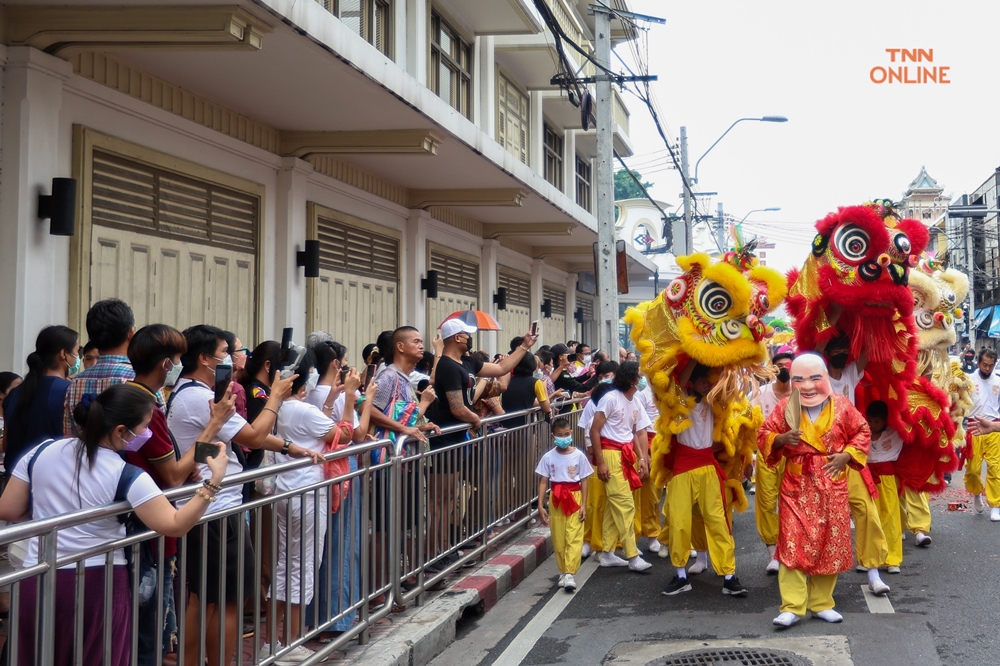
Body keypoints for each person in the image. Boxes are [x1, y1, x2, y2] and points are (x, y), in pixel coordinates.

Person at [0, 383, 231, 666]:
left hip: (35, 575)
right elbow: (175, 524)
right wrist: (213, 481)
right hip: (98, 583)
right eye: (144, 427)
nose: (146, 434)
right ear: (121, 430)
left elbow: (9, 508)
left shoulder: (42, 451)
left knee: (36, 655)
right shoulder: (125, 473)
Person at [166, 325, 323, 666]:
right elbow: (251, 435)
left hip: (207, 505)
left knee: (203, 599)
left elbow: (232, 436)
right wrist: (277, 396)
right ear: (205, 358)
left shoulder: (190, 392)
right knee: (226, 601)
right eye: (226, 352)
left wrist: (287, 446)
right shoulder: (200, 397)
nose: (235, 359)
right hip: (216, 508)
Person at [758, 354, 871, 628]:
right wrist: (780, 439)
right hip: (796, 486)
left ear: (825, 378)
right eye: (799, 379)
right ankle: (792, 606)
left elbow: (863, 431)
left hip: (832, 483)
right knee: (791, 544)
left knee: (828, 543)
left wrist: (847, 454)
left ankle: (821, 603)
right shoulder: (786, 407)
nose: (807, 385)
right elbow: (763, 433)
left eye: (814, 378)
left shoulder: (842, 406)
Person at [261, 349, 355, 663]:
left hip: (288, 492)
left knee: (285, 564)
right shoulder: (302, 411)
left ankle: (272, 642)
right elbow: (344, 434)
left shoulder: (279, 409)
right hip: (308, 492)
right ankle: (290, 642)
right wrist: (352, 397)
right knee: (304, 567)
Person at [430, 320, 538, 564]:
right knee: (440, 500)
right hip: (445, 440)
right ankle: (436, 553)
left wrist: (524, 345)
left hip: (459, 439)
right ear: (457, 338)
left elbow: (501, 369)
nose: (470, 337)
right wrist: (475, 419)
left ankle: (446, 549)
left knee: (448, 498)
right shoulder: (447, 366)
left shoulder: (467, 363)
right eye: (466, 334)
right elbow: (457, 407)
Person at [661, 364, 746, 597]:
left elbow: (729, 387)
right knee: (679, 523)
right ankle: (680, 576)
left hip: (708, 467)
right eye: (702, 381)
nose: (707, 384)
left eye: (708, 381)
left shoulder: (713, 402)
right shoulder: (679, 403)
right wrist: (691, 358)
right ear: (691, 384)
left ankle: (729, 576)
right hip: (682, 469)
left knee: (718, 521)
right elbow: (676, 383)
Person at [822, 334, 890, 591]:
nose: (841, 352)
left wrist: (871, 315)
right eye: (835, 348)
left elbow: (867, 351)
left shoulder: (851, 372)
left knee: (868, 512)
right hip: (824, 458)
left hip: (851, 456)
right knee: (823, 519)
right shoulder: (818, 375)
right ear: (827, 353)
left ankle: (873, 573)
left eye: (844, 348)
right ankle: (817, 577)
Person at [588, 361, 653, 573]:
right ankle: (632, 555)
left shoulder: (634, 402)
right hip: (611, 455)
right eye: (639, 376)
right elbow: (594, 430)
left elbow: (635, 432)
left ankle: (607, 553)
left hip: (626, 456)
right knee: (625, 505)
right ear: (632, 379)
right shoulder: (610, 398)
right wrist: (601, 462)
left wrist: (642, 459)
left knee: (613, 506)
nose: (642, 378)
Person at [2, 326, 78, 478]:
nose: (77, 357)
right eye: (76, 352)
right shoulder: (69, 391)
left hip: (13, 481)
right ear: (63, 354)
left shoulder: (15, 393)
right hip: (50, 482)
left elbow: (6, 443)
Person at [63, 298, 137, 436]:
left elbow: (69, 438)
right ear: (131, 334)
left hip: (82, 457)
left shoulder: (75, 383)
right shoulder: (139, 377)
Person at [537, 417, 593, 592]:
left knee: (574, 536)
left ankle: (570, 572)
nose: (564, 437)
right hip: (556, 500)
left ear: (571, 433)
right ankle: (563, 571)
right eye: (560, 435)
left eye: (567, 434)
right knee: (559, 537)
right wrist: (540, 505)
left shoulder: (579, 456)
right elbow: (543, 481)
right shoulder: (548, 457)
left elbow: (584, 480)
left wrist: (583, 504)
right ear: (553, 435)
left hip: (574, 498)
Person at [754, 351, 794, 574]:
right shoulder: (760, 393)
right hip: (767, 455)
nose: (784, 369)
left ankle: (790, 549)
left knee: (792, 503)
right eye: (779, 366)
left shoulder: (802, 393)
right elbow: (751, 425)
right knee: (768, 503)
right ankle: (773, 554)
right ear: (772, 369)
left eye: (788, 365)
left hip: (794, 456)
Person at [577, 361, 618, 558]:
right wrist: (595, 456)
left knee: (616, 504)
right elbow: (587, 432)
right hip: (596, 461)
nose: (604, 379)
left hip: (618, 460)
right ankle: (588, 539)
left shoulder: (623, 399)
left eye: (607, 375)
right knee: (594, 503)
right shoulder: (593, 404)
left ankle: (612, 543)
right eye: (600, 376)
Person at [864, 401, 903, 580]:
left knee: (890, 517)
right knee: (869, 518)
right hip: (866, 478)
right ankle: (870, 558)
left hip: (887, 479)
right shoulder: (862, 433)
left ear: (885, 421)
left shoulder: (895, 434)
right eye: (870, 421)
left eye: (876, 422)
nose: (872, 425)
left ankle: (892, 559)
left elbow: (910, 425)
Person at [964, 349, 1000, 520]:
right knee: (972, 470)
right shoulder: (969, 380)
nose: (987, 368)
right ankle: (977, 493)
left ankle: (995, 505)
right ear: (978, 363)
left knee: (995, 468)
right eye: (984, 364)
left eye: (991, 365)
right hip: (974, 428)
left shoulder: (998, 382)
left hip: (994, 428)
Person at [632, 373, 663, 555]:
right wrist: (644, 454)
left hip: (667, 442)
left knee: (664, 495)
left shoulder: (670, 392)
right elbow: (638, 428)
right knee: (648, 494)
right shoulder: (641, 396)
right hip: (649, 444)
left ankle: (667, 536)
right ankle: (649, 535)